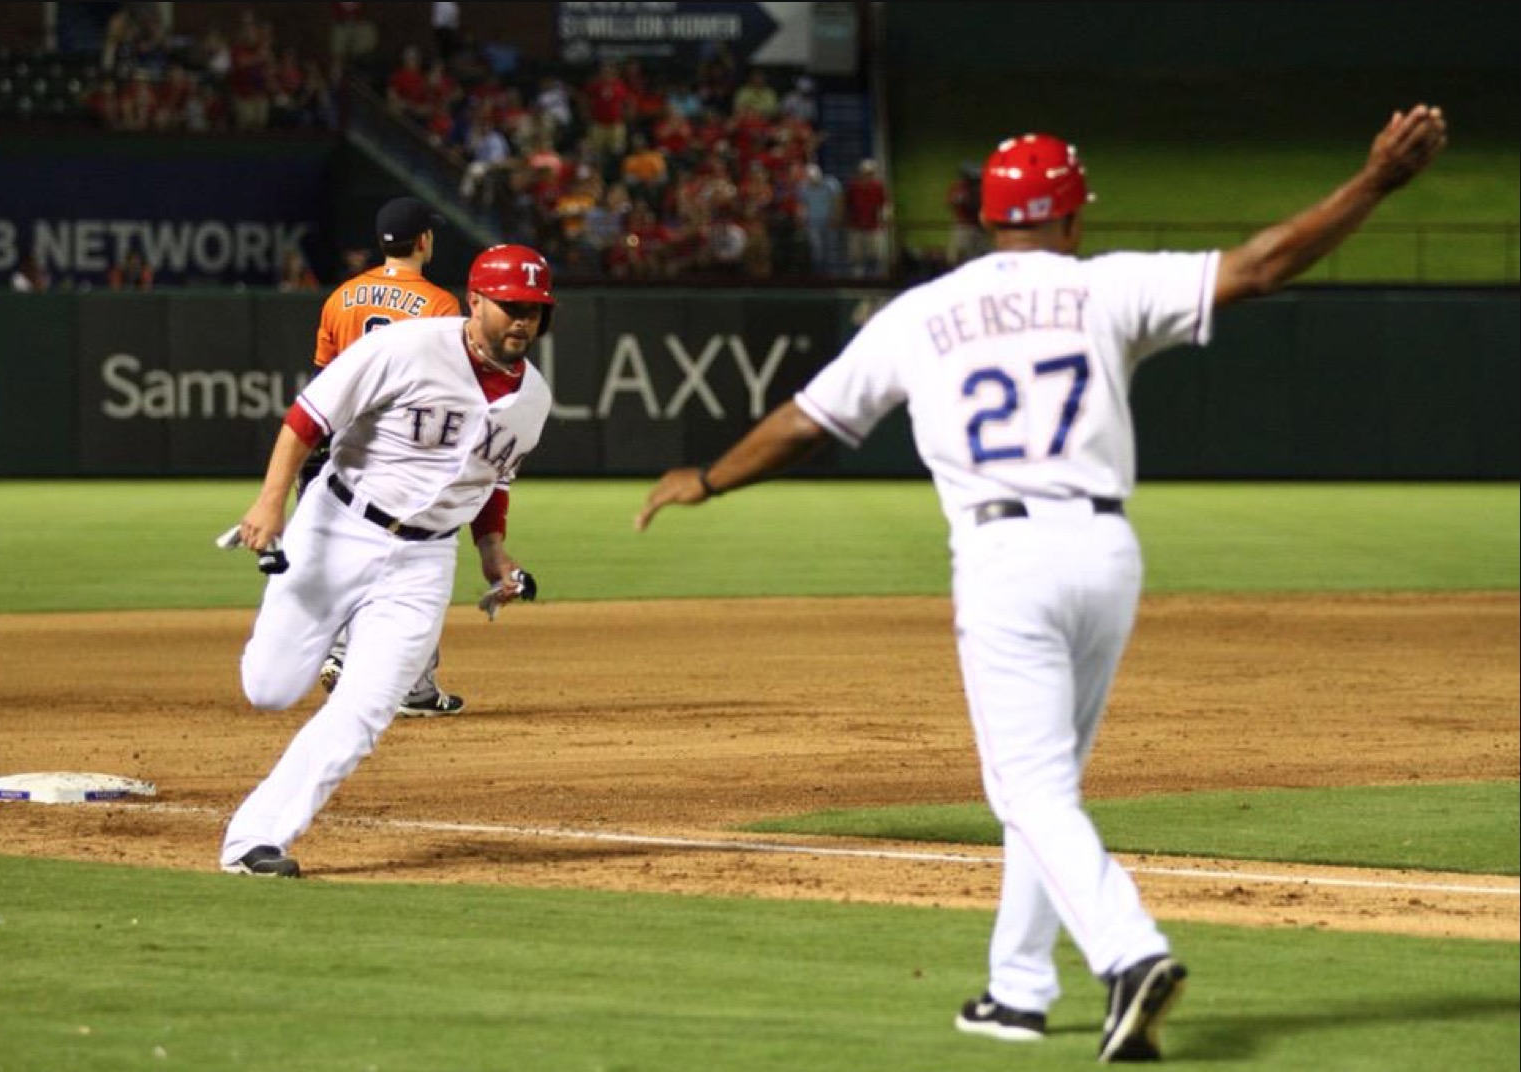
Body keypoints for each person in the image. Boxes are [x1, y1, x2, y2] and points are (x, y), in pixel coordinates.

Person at [635, 105, 1448, 1061]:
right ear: (1069, 219)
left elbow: (808, 421)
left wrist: (711, 476)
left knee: (1025, 787)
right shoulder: (1103, 287)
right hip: (1105, 555)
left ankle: (1129, 952)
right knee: (1045, 786)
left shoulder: (921, 312)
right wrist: (1375, 184)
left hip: (1004, 557)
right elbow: (1262, 264)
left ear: (985, 219)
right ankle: (1018, 989)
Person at [223, 242, 557, 878]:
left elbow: (492, 480)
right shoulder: (405, 348)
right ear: (477, 299)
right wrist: (271, 504)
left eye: (535, 311)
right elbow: (306, 419)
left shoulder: (533, 400)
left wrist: (492, 552)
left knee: (366, 708)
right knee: (270, 689)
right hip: (337, 526)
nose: (522, 321)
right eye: (511, 306)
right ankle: (305, 650)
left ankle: (255, 840)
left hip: (424, 562)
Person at [308, 197, 465, 716]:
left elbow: (322, 382)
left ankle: (344, 653)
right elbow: (447, 389)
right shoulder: (440, 305)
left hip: (346, 453)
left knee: (359, 558)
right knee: (422, 559)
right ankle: (405, 681)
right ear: (423, 241)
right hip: (407, 454)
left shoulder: (341, 297)